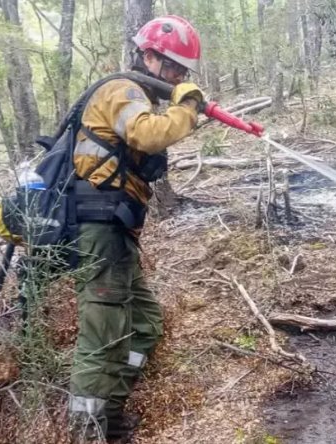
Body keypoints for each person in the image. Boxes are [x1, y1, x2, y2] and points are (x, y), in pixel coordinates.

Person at [67, 15, 203, 441]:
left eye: (184, 71)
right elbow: (146, 135)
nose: (178, 76)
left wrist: (186, 112)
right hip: (99, 228)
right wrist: (188, 108)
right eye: (174, 68)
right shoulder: (121, 90)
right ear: (149, 56)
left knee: (144, 323)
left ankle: (111, 410)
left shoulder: (139, 97)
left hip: (118, 229)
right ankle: (87, 432)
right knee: (101, 336)